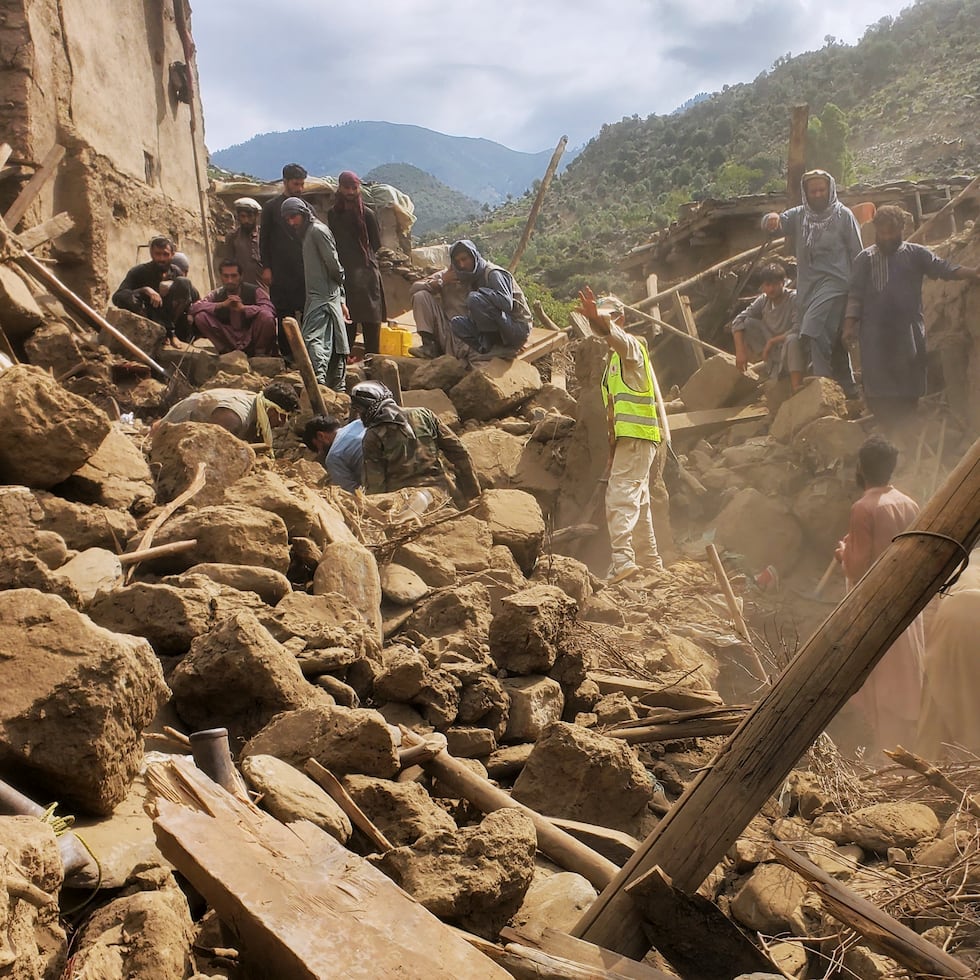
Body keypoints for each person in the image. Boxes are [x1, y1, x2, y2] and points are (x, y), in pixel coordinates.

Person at [844, 205, 979, 436]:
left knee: (908, 375)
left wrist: (972, 273)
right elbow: (855, 294)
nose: (887, 237)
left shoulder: (916, 254)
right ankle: (887, 426)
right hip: (874, 332)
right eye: (883, 232)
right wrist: (849, 325)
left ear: (902, 230)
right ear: (876, 230)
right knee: (877, 377)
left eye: (892, 232)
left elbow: (943, 268)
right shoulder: (864, 259)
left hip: (907, 329)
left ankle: (906, 427)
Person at [835, 435, 924, 757]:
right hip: (907, 601)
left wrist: (844, 552)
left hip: (876, 605)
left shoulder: (863, 507)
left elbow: (858, 567)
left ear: (860, 468)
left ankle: (888, 755)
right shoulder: (908, 503)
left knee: (882, 676)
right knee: (907, 673)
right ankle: (907, 749)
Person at [578, 286, 665, 583]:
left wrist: (602, 324)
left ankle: (623, 562)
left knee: (619, 499)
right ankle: (652, 561)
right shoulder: (613, 362)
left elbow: (615, 336)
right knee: (639, 501)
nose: (603, 324)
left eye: (610, 318)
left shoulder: (631, 349)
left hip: (638, 437)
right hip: (633, 440)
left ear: (621, 319)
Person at [762, 170, 862, 396]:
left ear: (830, 190)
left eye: (822, 190)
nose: (817, 194)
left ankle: (823, 388)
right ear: (806, 193)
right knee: (833, 337)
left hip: (837, 285)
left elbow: (858, 253)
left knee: (814, 331)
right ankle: (848, 387)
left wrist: (859, 291)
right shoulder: (799, 215)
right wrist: (769, 220)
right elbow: (775, 225)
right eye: (813, 190)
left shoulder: (843, 216)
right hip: (809, 289)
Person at [349, 380, 481, 504]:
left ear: (368, 408)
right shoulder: (424, 415)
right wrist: (474, 495)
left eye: (360, 410)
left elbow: (375, 484)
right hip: (441, 495)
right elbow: (459, 452)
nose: (360, 416)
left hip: (404, 501)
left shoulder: (373, 436)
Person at [917, 548, 980, 759]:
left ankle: (926, 764)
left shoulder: (959, 561)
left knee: (937, 693)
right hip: (961, 611)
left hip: (953, 614)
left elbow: (927, 617)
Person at [281, 197, 349, 391]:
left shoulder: (318, 231)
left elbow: (334, 266)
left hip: (324, 298)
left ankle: (322, 388)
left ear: (303, 214)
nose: (291, 222)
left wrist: (339, 293)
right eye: (287, 219)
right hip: (320, 297)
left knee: (314, 341)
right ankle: (329, 389)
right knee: (330, 342)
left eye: (293, 217)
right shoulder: (308, 233)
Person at [327, 171, 386, 358]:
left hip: (367, 275)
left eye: (354, 188)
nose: (351, 192)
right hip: (345, 276)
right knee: (347, 323)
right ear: (340, 188)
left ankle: (373, 367)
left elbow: (376, 245)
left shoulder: (367, 214)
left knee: (371, 324)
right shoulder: (333, 214)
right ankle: (343, 368)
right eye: (347, 187)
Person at [448, 240, 533, 360]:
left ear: (474, 256)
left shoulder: (493, 273)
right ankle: (492, 349)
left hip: (517, 326)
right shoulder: (470, 278)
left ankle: (503, 345)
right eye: (458, 262)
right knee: (456, 323)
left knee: (474, 298)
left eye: (464, 259)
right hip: (497, 326)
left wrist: (483, 292)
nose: (462, 265)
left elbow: (506, 304)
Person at [731, 263, 805, 392]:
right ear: (763, 286)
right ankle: (772, 367)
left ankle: (796, 385)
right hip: (773, 350)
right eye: (767, 285)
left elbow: (798, 328)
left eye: (776, 284)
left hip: (791, 347)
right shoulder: (763, 300)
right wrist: (740, 352)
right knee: (748, 323)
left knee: (793, 339)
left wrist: (771, 342)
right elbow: (738, 321)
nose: (771, 289)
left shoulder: (794, 298)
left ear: (783, 282)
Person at [155, 381, 299, 446]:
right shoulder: (234, 416)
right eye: (282, 415)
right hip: (166, 435)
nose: (283, 422)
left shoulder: (257, 407)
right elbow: (211, 446)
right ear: (269, 409)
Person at [112, 236, 199, 343]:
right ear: (151, 254)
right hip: (150, 317)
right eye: (157, 254)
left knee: (183, 283)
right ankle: (160, 331)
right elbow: (118, 296)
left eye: (165, 254)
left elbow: (195, 296)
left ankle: (170, 332)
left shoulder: (176, 273)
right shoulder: (140, 271)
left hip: (173, 321)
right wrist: (145, 290)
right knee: (127, 298)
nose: (161, 259)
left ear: (172, 254)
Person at [189, 259, 277, 357]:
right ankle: (224, 351)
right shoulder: (217, 294)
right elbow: (195, 307)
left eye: (234, 276)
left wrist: (244, 308)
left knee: (266, 316)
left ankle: (261, 353)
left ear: (241, 276)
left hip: (251, 334)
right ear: (221, 277)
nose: (230, 280)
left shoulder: (255, 291)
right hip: (228, 336)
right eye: (226, 276)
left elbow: (269, 309)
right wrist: (220, 305)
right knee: (201, 316)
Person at [260, 164, 309, 337]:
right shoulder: (271, 208)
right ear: (285, 182)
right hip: (280, 272)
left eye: (302, 184)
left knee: (307, 315)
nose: (300, 189)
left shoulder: (307, 210)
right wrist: (266, 267)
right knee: (283, 315)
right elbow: (264, 239)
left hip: (303, 272)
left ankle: (308, 355)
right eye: (296, 184)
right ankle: (286, 357)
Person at [408, 262, 473, 360]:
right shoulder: (447, 275)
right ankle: (430, 348)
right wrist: (442, 281)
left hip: (468, 337)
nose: (462, 264)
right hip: (447, 331)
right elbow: (415, 288)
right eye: (457, 260)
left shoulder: (479, 278)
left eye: (464, 259)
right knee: (420, 296)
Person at [303, 414, 365, 491]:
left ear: (320, 436)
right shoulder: (358, 423)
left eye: (317, 447)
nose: (321, 452)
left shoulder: (333, 456)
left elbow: (352, 493)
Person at [217, 197, 263, 285]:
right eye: (243, 216)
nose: (246, 220)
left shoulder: (264, 235)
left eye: (249, 216)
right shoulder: (233, 237)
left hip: (264, 287)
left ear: (256, 216)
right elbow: (229, 263)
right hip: (241, 288)